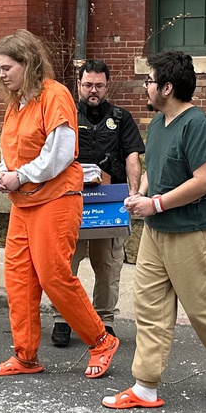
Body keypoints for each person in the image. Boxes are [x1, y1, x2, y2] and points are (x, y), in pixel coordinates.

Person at [103, 51, 206, 409]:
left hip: (191, 232)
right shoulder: (158, 124)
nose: (146, 87)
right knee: (149, 308)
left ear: (167, 87)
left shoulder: (196, 123)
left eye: (150, 81)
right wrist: (139, 195)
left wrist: (155, 204)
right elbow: (155, 169)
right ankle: (145, 386)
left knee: (205, 310)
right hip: (156, 233)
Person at [0, 30, 119, 379]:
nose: (2, 74)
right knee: (18, 279)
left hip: (57, 199)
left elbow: (60, 153)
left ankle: (101, 340)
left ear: (27, 62)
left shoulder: (54, 94)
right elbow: (9, 151)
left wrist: (19, 176)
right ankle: (25, 355)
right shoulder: (16, 103)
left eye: (7, 66)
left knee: (54, 276)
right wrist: (5, 174)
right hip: (25, 201)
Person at [51, 59, 144, 348]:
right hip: (70, 203)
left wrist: (134, 194)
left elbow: (132, 157)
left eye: (99, 85)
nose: (93, 90)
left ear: (107, 86)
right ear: (78, 84)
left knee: (108, 266)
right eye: (88, 84)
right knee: (66, 265)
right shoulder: (63, 114)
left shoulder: (121, 117)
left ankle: (105, 321)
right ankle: (62, 319)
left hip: (108, 204)